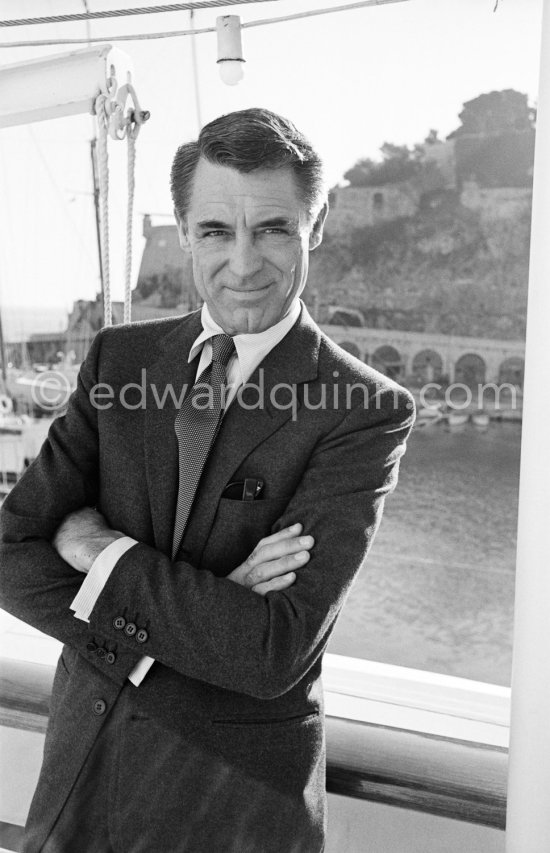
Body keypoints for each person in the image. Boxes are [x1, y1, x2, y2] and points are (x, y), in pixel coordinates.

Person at [0, 108, 415, 853]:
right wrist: (210, 602)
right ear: (185, 230)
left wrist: (102, 553)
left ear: (315, 228)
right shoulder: (118, 362)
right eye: (217, 231)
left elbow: (269, 653)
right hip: (77, 787)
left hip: (234, 810)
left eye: (275, 230)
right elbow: (10, 556)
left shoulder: (364, 409)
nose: (245, 262)